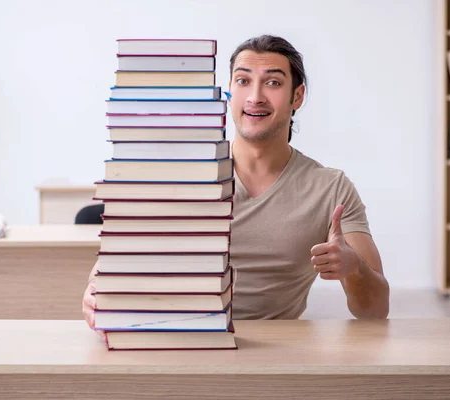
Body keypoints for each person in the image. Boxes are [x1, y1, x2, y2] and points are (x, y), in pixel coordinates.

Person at [83, 34, 390, 341]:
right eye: (243, 81)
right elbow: (107, 276)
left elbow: (375, 311)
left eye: (273, 83)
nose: (255, 97)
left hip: (273, 355)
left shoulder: (332, 189)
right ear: (229, 91)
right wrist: (97, 297)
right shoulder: (179, 173)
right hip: (176, 341)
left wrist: (354, 268)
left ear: (297, 97)